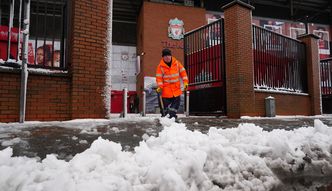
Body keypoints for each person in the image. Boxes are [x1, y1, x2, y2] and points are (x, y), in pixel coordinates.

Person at [155, 48, 188, 120]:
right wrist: (160, 87)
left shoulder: (177, 63)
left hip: (176, 89)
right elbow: (159, 78)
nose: (167, 57)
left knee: (175, 105)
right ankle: (165, 117)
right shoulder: (160, 67)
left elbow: (183, 73)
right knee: (164, 108)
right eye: (165, 56)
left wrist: (185, 83)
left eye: (168, 55)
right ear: (163, 57)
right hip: (166, 90)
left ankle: (172, 117)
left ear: (171, 56)